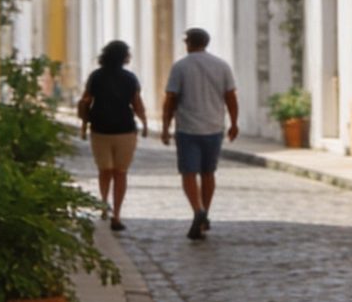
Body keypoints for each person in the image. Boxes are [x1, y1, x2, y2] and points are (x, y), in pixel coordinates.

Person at [159, 27, 238, 240]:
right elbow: (230, 96)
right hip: (214, 126)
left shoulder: (180, 67)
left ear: (188, 43)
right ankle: (205, 212)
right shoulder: (222, 66)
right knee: (208, 173)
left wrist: (166, 127)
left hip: (188, 128)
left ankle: (197, 209)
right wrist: (234, 123)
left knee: (188, 173)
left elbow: (170, 99)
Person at [76, 40, 147, 231]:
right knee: (120, 172)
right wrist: (145, 122)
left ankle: (104, 205)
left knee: (104, 170)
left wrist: (84, 124)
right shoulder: (130, 78)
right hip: (125, 129)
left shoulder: (96, 76)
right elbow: (137, 103)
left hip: (100, 129)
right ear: (124, 57)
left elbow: (85, 101)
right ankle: (117, 213)